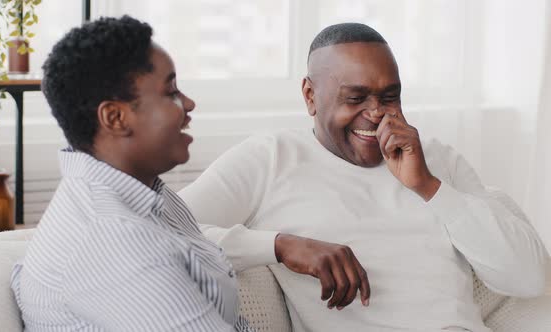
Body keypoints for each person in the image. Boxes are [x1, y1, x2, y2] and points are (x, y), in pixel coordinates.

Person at [179, 23, 548, 331]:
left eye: (390, 97)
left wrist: (429, 187)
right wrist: (282, 246)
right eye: (355, 99)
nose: (376, 114)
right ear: (310, 95)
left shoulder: (437, 159)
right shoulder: (270, 158)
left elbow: (529, 279)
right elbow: (163, 231)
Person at [10, 16, 252, 332]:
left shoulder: (144, 194)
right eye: (172, 92)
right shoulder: (111, 237)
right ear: (115, 117)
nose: (189, 104)